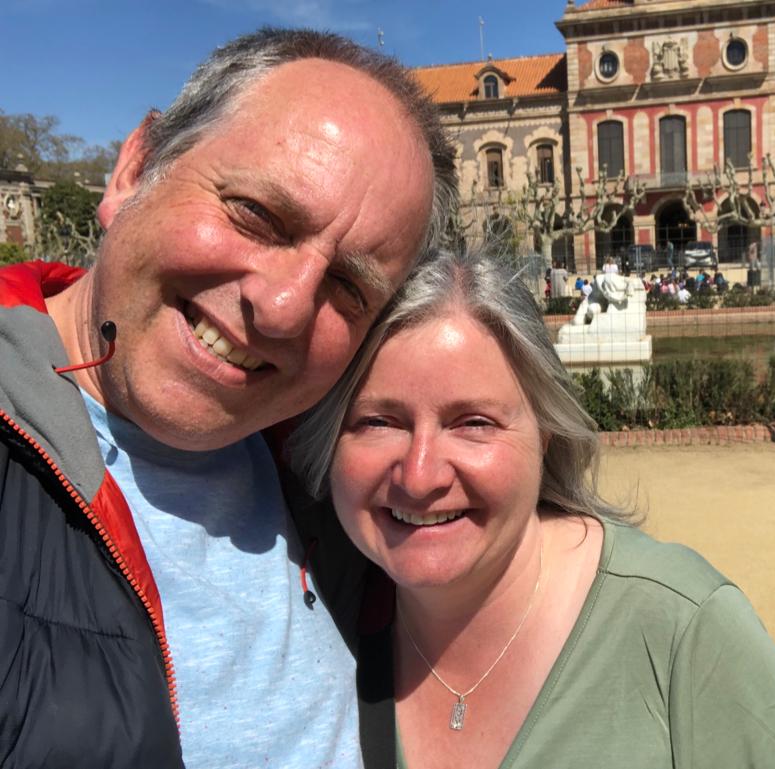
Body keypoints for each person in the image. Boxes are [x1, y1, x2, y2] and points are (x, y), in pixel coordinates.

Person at [0, 28, 457, 769]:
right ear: (135, 168)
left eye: (348, 285)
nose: (282, 308)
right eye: (255, 215)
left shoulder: (341, 473)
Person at [290, 250, 775, 769]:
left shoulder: (682, 628)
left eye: (473, 422)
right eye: (378, 422)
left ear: (545, 433)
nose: (421, 474)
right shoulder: (316, 612)